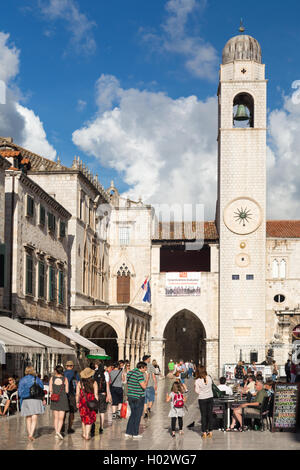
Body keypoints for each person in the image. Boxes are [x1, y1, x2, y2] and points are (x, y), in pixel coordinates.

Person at [18, 366, 45, 441]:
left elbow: (19, 392)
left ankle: (30, 433)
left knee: (28, 417)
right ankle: (31, 434)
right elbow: (42, 388)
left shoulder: (22, 380)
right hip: (36, 399)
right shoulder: (37, 379)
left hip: (26, 400)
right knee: (34, 416)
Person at [125, 361, 148, 439]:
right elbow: (144, 386)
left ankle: (128, 432)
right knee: (138, 415)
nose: (146, 370)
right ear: (141, 368)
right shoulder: (139, 374)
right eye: (145, 368)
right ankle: (135, 433)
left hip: (131, 396)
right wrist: (147, 379)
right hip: (138, 396)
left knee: (133, 414)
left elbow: (128, 384)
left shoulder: (129, 373)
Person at [76, 367, 99, 440]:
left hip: (82, 402)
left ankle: (84, 433)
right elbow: (96, 394)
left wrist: (77, 402)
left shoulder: (80, 383)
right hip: (91, 402)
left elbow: (77, 394)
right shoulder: (94, 383)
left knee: (83, 418)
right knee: (89, 419)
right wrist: (97, 403)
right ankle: (87, 435)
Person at [49, 365, 69, 439]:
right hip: (63, 398)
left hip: (55, 399)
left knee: (56, 417)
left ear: (55, 371)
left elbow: (50, 390)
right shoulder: (65, 379)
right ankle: (58, 432)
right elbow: (67, 391)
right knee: (61, 418)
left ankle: (56, 432)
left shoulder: (52, 378)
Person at [195, 366, 214, 439]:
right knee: (210, 414)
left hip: (202, 398)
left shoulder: (197, 381)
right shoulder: (209, 378)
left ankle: (204, 432)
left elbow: (197, 391)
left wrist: (201, 391)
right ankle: (210, 431)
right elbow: (211, 386)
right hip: (210, 397)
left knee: (203, 415)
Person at [93, 361, 112, 434]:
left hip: (95, 394)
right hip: (103, 394)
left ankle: (93, 426)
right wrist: (108, 395)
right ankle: (101, 427)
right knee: (102, 412)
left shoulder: (94, 372)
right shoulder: (105, 373)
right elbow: (107, 385)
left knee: (94, 412)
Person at [63, 360, 80, 434]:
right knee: (72, 412)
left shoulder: (63, 374)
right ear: (72, 366)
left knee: (63, 411)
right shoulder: (76, 374)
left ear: (66, 366)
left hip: (64, 394)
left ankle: (62, 425)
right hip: (73, 394)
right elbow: (79, 384)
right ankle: (69, 428)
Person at [142, 354, 157, 418]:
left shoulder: (140, 365)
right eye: (149, 358)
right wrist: (155, 384)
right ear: (147, 359)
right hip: (150, 385)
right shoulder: (150, 366)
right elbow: (153, 376)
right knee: (152, 399)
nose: (150, 359)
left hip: (142, 385)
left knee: (144, 400)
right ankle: (149, 408)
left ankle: (145, 413)